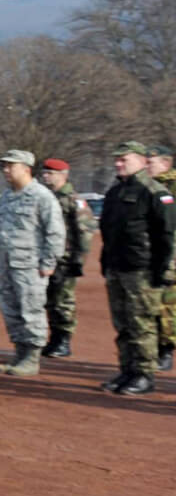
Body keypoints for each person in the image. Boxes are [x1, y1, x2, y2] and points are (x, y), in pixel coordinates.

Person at [97, 142, 175, 395]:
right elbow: (108, 231)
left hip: (142, 269)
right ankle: (127, 370)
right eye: (117, 160)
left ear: (142, 161)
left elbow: (167, 235)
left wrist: (162, 270)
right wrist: (105, 262)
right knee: (123, 324)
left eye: (125, 159)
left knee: (142, 324)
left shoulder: (154, 191)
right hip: (117, 267)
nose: (119, 164)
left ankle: (144, 374)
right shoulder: (115, 192)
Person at [0, 150, 65, 376]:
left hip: (31, 266)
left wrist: (49, 262)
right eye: (4, 166)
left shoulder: (41, 196)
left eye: (10, 166)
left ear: (25, 168)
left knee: (31, 310)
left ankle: (32, 358)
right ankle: (20, 353)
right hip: (7, 263)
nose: (5, 170)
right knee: (10, 310)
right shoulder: (6, 196)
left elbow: (55, 232)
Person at [39, 158, 95, 359]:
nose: (45, 177)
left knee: (62, 301)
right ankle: (54, 337)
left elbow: (85, 230)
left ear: (63, 175)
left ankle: (63, 339)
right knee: (49, 300)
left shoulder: (72, 199)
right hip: (46, 257)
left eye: (50, 173)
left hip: (65, 259)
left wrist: (79, 260)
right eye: (44, 173)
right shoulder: (46, 197)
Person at [151, 145, 176, 370]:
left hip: (171, 258)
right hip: (149, 256)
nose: (147, 166)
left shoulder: (172, 187)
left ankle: (166, 350)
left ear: (166, 164)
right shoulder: (144, 186)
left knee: (167, 306)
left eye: (151, 162)